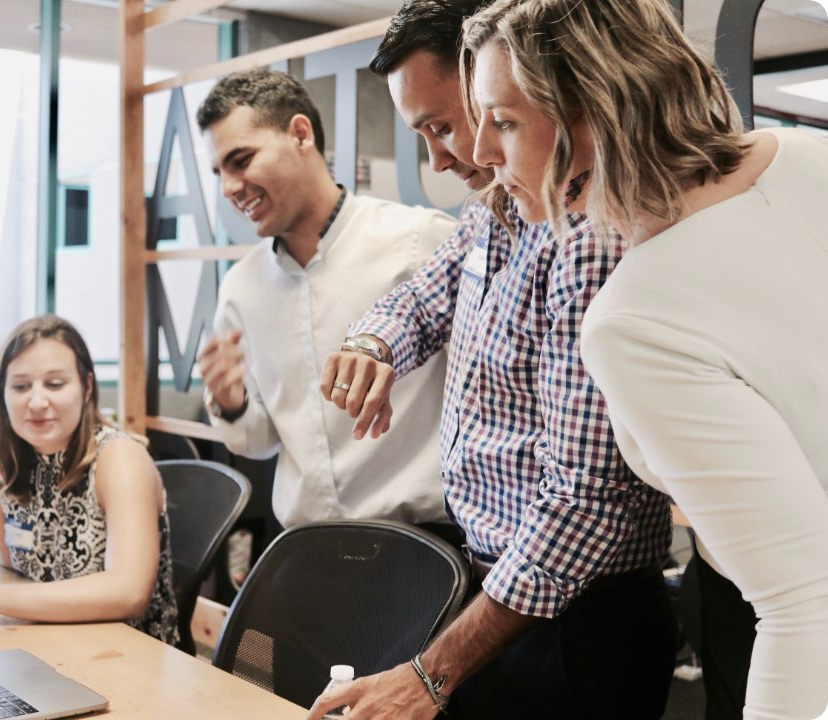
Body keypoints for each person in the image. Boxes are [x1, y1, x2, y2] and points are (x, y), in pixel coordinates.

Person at [455, 1, 828, 718]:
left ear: (594, 109)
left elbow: (806, 600)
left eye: (502, 121)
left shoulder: (634, 319)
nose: (479, 153)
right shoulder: (807, 155)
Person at [309, 2, 676, 718]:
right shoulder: (494, 215)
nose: (445, 160)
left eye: (446, 126)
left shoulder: (589, 236)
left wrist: (432, 673)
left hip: (576, 620)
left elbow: (583, 504)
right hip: (498, 597)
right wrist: (370, 345)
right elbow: (420, 298)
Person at [195, 69, 459, 537]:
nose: (229, 188)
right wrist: (230, 402)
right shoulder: (241, 286)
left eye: (241, 160)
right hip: (306, 548)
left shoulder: (421, 241)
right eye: (220, 173)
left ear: (301, 134)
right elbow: (257, 441)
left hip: (424, 542)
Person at [0, 315, 179, 645]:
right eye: (20, 386)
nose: (37, 402)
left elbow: (129, 593)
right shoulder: (1, 468)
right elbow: (14, 579)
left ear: (87, 387)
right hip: (46, 645)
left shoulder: (119, 458)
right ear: (1, 394)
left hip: (131, 655)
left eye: (55, 384)